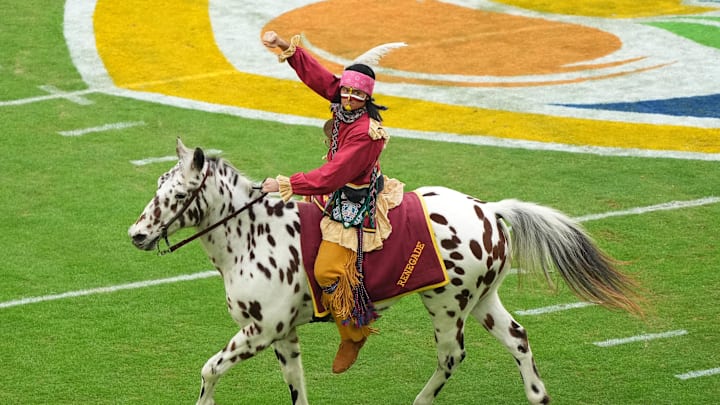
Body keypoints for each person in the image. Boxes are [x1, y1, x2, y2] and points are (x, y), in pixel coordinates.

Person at [261, 31, 404, 374]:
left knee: (327, 269)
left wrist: (286, 183)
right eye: (347, 92)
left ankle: (354, 334)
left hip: (353, 197)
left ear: (367, 97)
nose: (349, 98)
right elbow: (319, 78)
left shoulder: (367, 133)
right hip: (336, 190)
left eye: (357, 95)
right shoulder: (342, 100)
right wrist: (287, 49)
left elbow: (331, 176)